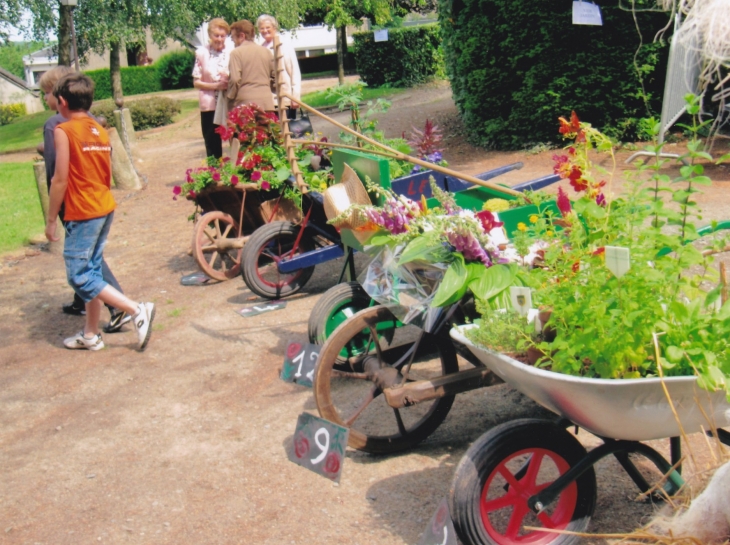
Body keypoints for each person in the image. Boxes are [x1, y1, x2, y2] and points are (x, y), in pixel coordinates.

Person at [45, 73, 155, 352]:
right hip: (104, 207)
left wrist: (50, 220)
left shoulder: (63, 130)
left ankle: (135, 309)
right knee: (92, 269)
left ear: (61, 101)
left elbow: (59, 179)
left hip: (83, 211)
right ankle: (90, 334)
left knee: (79, 274)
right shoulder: (98, 129)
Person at [38, 66, 131, 334]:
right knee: (90, 258)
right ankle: (88, 318)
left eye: (47, 93)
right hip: (102, 201)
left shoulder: (57, 125)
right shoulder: (95, 125)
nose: (46, 99)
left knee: (84, 265)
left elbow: (57, 173)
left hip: (77, 205)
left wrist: (52, 215)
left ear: (60, 97)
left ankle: (125, 307)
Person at [192, 18, 233, 159]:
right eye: (216, 35)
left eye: (223, 36)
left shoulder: (232, 52)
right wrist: (216, 86)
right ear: (210, 35)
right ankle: (215, 174)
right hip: (210, 105)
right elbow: (196, 82)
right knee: (212, 142)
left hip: (229, 102)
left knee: (235, 138)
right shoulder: (201, 53)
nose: (219, 39)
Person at [256, 14, 302, 119]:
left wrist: (295, 97)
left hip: (285, 97)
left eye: (268, 27)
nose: (265, 31)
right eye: (262, 28)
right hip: (269, 100)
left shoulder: (284, 45)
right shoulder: (261, 48)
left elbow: (294, 71)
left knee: (288, 130)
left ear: (274, 28)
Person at [226, 20, 276, 111]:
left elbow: (235, 79)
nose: (232, 41)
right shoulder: (267, 52)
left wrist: (229, 97)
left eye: (233, 37)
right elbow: (275, 78)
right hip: (266, 103)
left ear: (242, 36)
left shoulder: (236, 53)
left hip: (245, 105)